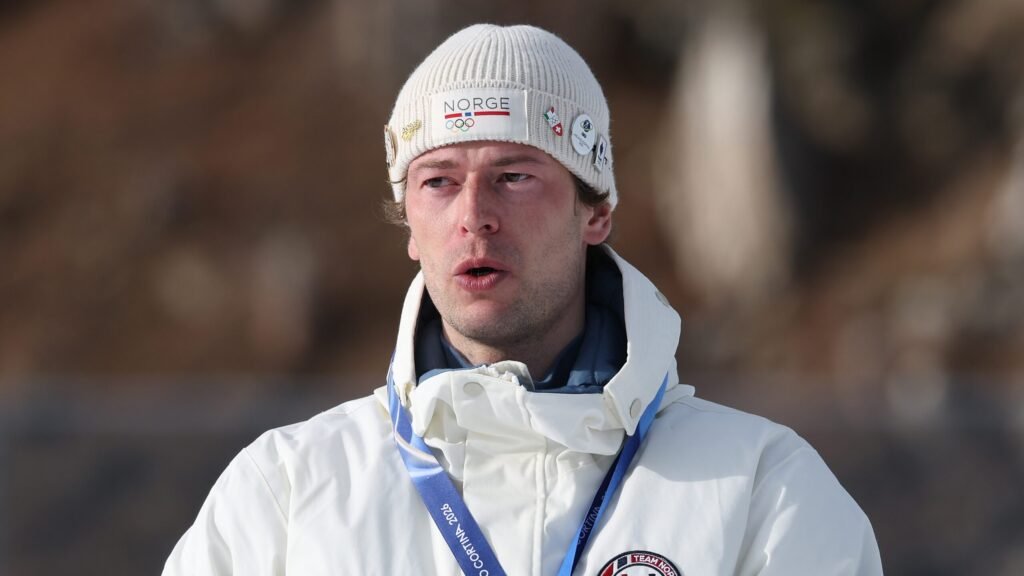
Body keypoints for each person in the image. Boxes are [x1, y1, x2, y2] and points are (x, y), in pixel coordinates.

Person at [163, 24, 882, 576]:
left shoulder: (762, 488)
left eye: (514, 176)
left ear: (594, 212)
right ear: (409, 225)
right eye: (439, 181)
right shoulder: (286, 495)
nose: (474, 215)